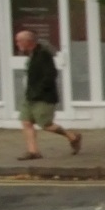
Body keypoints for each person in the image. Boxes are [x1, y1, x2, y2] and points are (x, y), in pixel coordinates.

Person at [15, 30, 82, 160]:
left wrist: (39, 91)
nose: (17, 44)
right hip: (30, 96)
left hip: (43, 97)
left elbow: (50, 75)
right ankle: (33, 152)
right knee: (26, 122)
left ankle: (73, 137)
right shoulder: (32, 54)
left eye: (19, 41)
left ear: (28, 42)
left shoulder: (43, 55)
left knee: (46, 125)